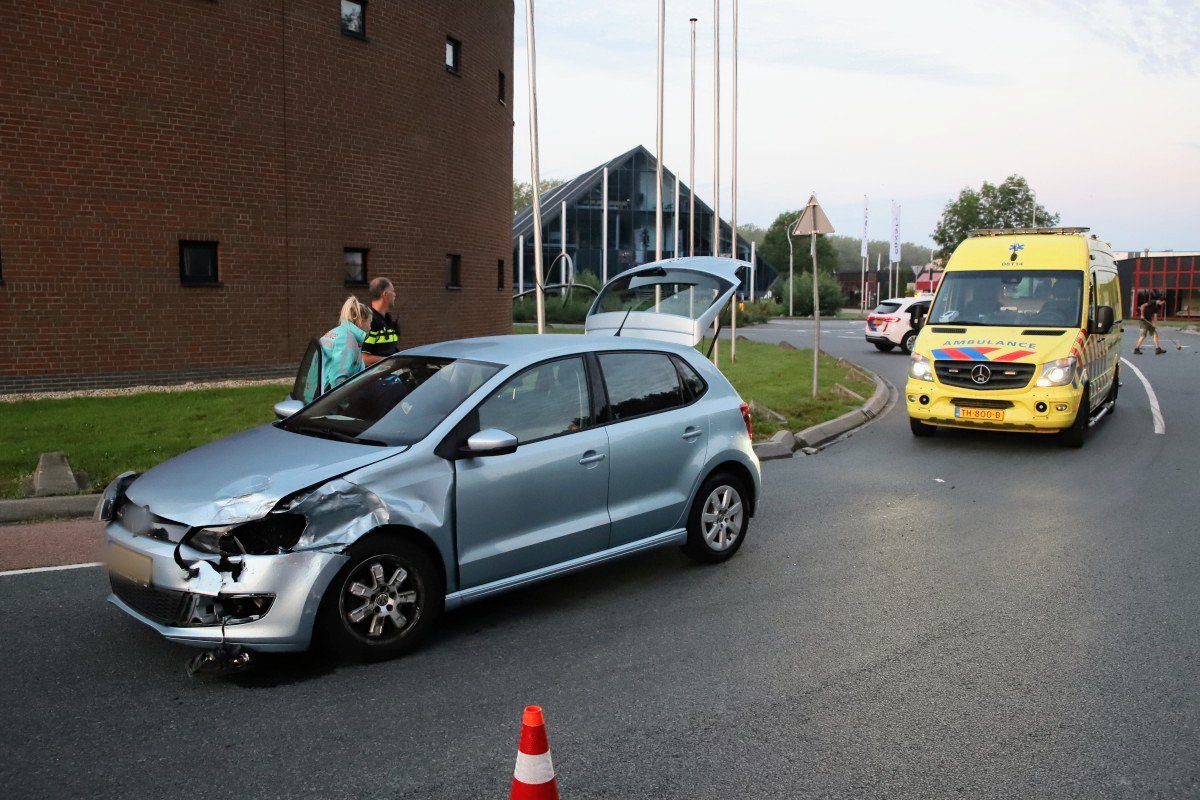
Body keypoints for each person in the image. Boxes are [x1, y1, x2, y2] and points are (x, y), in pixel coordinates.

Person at [320, 296, 373, 391]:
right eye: (369, 323)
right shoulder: (347, 341)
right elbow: (337, 381)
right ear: (361, 321)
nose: (370, 328)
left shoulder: (339, 332)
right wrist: (348, 405)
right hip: (327, 401)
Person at [362, 277, 400, 367]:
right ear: (385, 294)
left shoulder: (387, 319)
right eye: (393, 291)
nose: (395, 295)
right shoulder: (370, 321)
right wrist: (393, 361)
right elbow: (364, 358)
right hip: (376, 378)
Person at [1134, 290, 1166, 355]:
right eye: (1163, 302)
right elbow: (1142, 306)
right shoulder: (1152, 302)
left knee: (1155, 334)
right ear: (1161, 301)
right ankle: (1136, 349)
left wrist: (1154, 324)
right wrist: (1142, 315)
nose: (1163, 304)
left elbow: (1155, 316)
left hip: (1149, 320)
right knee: (1143, 336)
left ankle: (1158, 349)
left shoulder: (1157, 307)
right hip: (1143, 321)